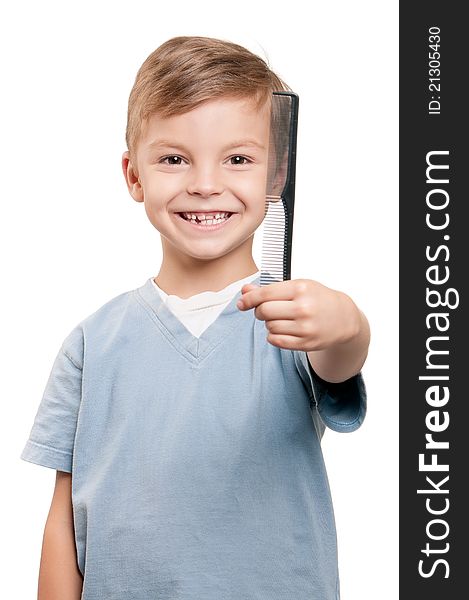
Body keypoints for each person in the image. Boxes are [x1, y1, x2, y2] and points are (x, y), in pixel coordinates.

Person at [20, 35, 370, 600]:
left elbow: (341, 355)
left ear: (276, 176)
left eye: (237, 159)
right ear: (134, 176)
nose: (205, 183)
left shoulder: (291, 320)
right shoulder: (90, 344)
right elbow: (64, 514)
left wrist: (348, 323)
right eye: (174, 159)